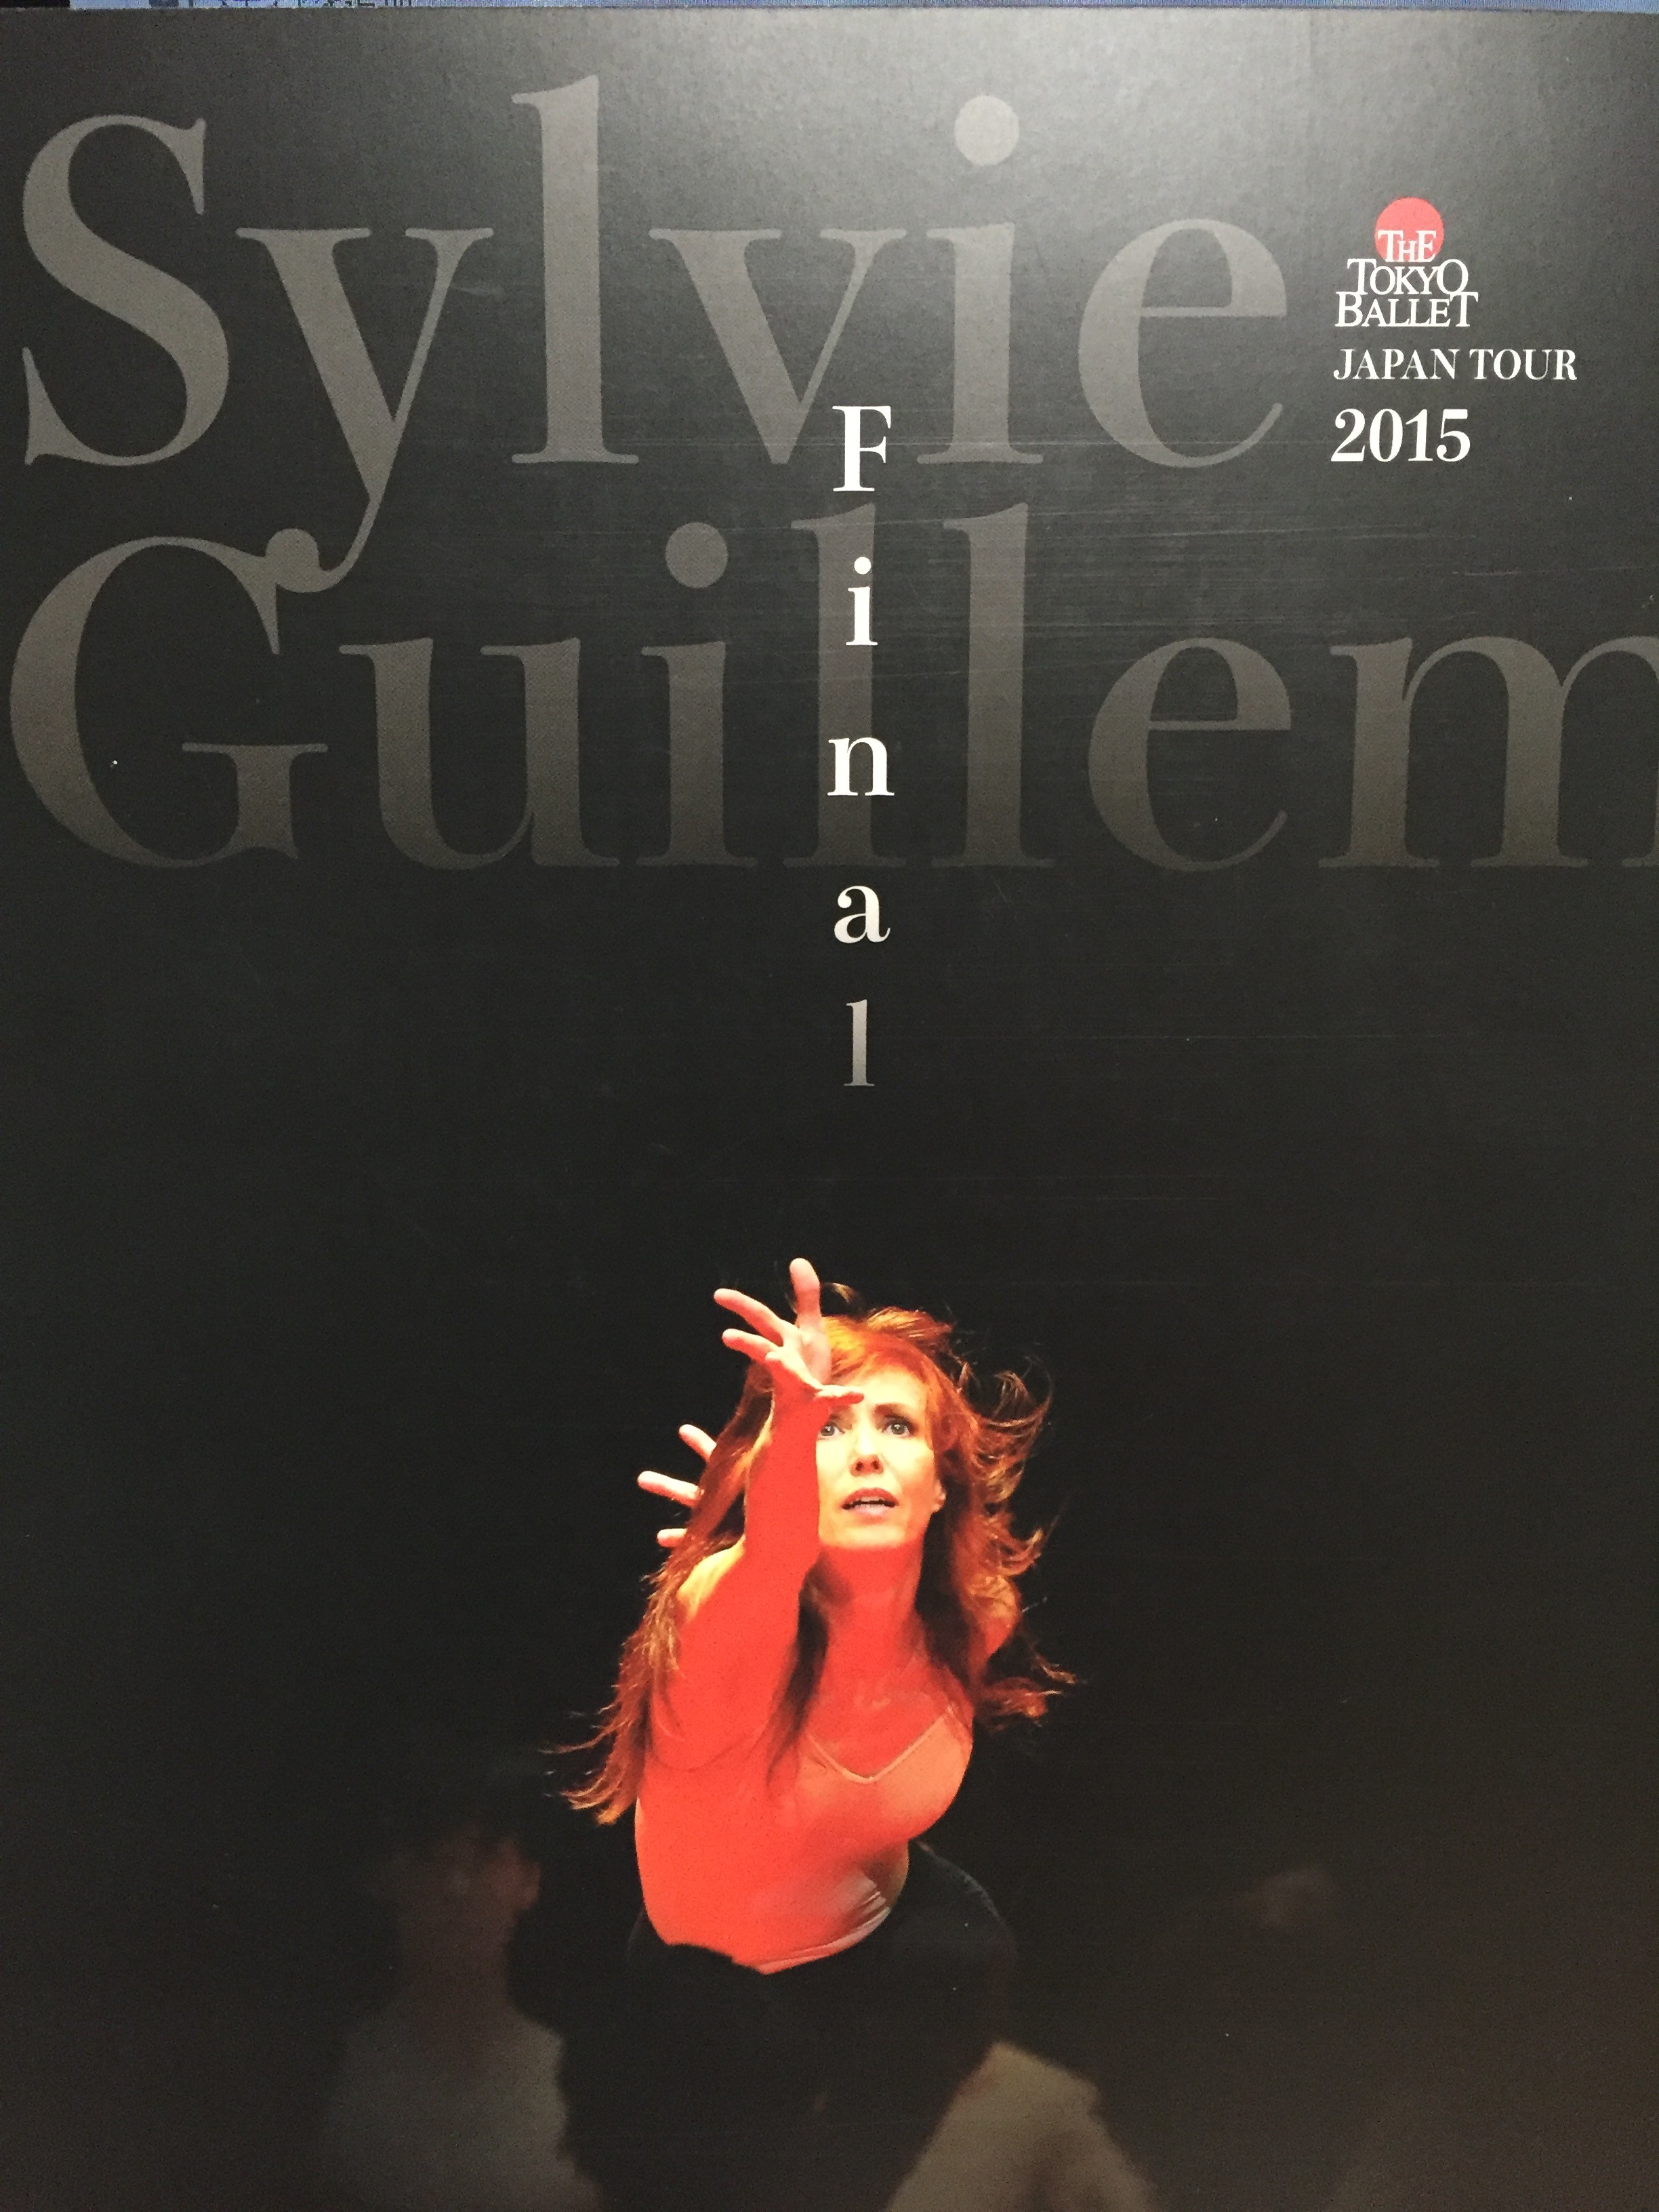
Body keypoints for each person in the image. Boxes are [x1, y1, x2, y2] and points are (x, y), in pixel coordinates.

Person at [562, 1259, 1067, 2212]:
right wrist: (774, 1464)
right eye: (830, 1427)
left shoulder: (974, 1615)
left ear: (940, 1486)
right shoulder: (721, 1617)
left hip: (898, 1949)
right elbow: (775, 1555)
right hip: (716, 2005)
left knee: (960, 1959)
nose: (866, 1452)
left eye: (897, 1427)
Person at [319, 1738, 600, 2212]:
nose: (457, 1887)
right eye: (431, 1857)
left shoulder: (578, 2088)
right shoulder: (328, 2077)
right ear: (383, 1878)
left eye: (484, 1856)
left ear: (529, 1880)